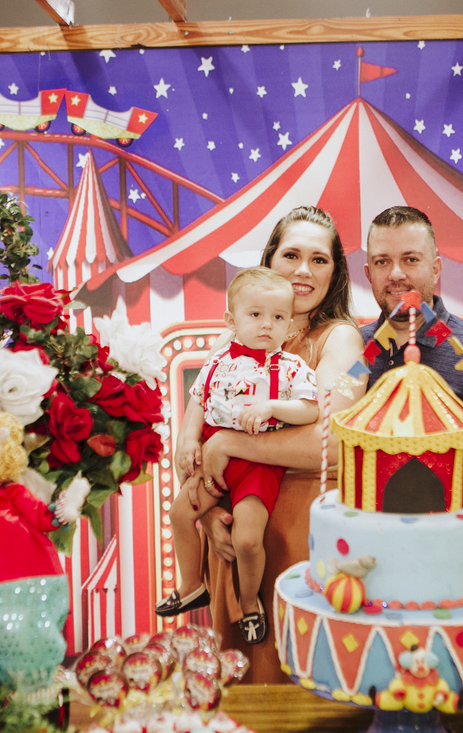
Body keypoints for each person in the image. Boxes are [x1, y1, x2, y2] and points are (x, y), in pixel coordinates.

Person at [183, 206, 364, 683]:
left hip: (300, 535)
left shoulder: (345, 342)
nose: (304, 270)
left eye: (319, 260)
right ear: (268, 260)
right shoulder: (234, 339)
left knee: (294, 679)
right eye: (291, 255)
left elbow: (332, 442)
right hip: (234, 533)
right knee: (241, 683)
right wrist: (207, 514)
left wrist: (229, 443)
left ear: (335, 274)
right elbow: (196, 431)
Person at [159, 268, 319, 645]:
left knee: (247, 540)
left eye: (277, 317)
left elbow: (311, 409)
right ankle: (191, 584)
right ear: (232, 321)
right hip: (215, 459)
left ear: (289, 325)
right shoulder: (217, 361)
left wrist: (273, 407)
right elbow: (199, 401)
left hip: (258, 464)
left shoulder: (291, 367)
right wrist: (189, 440)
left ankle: (249, 603)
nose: (266, 325)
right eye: (256, 315)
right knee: (180, 514)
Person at [360, 206, 463, 543]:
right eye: (382, 261)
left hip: (452, 552)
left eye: (410, 259)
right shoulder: (353, 350)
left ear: (435, 268)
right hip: (364, 552)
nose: (395, 273)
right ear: (368, 272)